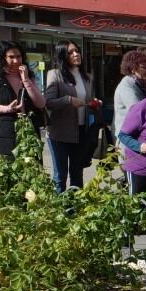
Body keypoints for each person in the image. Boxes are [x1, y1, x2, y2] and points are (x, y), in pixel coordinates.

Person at [44, 41, 96, 191]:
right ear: (62, 56)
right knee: (60, 175)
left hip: (81, 131)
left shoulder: (87, 77)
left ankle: (75, 207)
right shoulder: (55, 75)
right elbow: (48, 102)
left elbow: (86, 101)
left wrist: (93, 103)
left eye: (77, 51)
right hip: (59, 133)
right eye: (71, 52)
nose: (76, 54)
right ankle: (59, 210)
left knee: (77, 173)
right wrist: (68, 100)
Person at [0, 41, 45, 158]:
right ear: (2, 58)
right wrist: (7, 108)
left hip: (28, 132)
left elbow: (40, 103)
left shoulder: (29, 77)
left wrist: (26, 80)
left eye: (18, 56)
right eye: (11, 57)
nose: (16, 61)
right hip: (4, 134)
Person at [113, 49, 146, 136]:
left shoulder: (140, 83)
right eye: (144, 67)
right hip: (127, 138)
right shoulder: (126, 85)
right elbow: (137, 109)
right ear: (133, 69)